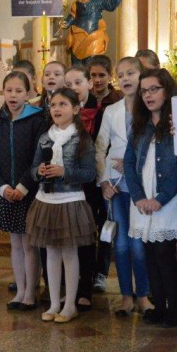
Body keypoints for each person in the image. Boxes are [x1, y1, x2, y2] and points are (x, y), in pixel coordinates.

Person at [25, 88, 97, 323]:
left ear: (75, 109)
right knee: (51, 252)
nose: (56, 109)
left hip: (70, 201)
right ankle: (54, 302)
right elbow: (33, 168)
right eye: (53, 104)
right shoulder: (45, 137)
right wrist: (39, 171)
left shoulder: (82, 138)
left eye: (63, 104)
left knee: (69, 253)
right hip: (46, 201)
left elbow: (89, 173)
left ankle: (70, 304)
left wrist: (64, 172)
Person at [123, 69, 177, 329]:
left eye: (154, 89)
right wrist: (138, 196)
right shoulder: (140, 124)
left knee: (164, 253)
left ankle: (174, 309)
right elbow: (129, 162)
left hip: (167, 198)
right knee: (148, 253)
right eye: (144, 91)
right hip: (142, 199)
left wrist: (161, 198)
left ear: (167, 90)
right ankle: (159, 306)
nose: (148, 95)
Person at [96, 57, 153, 317]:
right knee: (120, 244)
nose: (126, 78)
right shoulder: (112, 111)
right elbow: (100, 148)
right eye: (121, 75)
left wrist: (131, 163)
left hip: (142, 183)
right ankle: (125, 296)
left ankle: (143, 295)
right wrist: (103, 181)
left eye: (131, 73)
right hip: (116, 185)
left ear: (141, 75)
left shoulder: (150, 108)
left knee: (138, 243)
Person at [0, 71, 46, 311]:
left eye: (19, 91)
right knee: (16, 244)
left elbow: (38, 158)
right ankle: (20, 290)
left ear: (28, 93)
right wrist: (2, 188)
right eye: (9, 90)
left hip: (29, 191)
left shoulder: (37, 121)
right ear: (3, 92)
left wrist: (23, 186)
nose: (13, 95)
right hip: (8, 193)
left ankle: (31, 292)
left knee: (29, 244)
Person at [64, 64, 106, 307]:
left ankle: (85, 289)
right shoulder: (61, 112)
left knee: (86, 237)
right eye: (68, 84)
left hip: (91, 184)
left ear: (89, 83)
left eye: (78, 82)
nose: (74, 88)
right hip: (66, 185)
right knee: (67, 238)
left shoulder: (100, 114)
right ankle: (68, 287)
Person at [61, 0, 131, 64]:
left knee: (91, 63)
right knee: (77, 64)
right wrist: (66, 23)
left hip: (93, 37)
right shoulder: (77, 2)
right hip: (78, 36)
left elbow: (109, 4)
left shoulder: (99, 0)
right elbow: (72, 16)